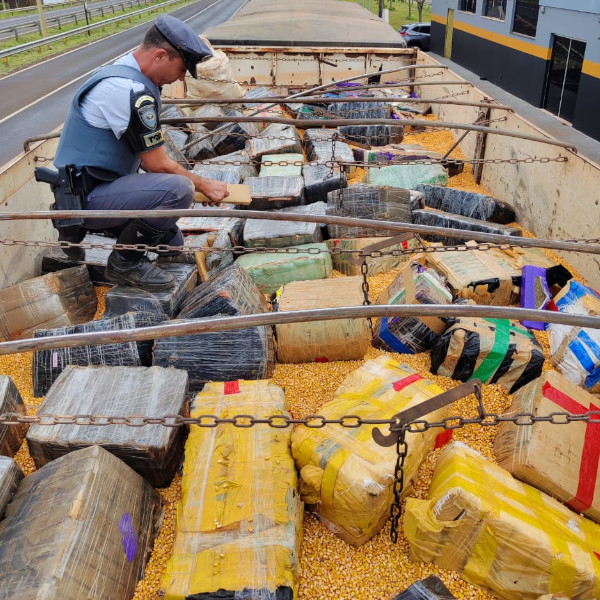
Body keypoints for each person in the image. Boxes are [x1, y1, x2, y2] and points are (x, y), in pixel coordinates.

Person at [54, 14, 229, 290]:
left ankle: (131, 253)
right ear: (160, 55)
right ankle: (124, 262)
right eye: (182, 69)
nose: (181, 78)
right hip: (88, 197)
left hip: (100, 185)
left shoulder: (124, 72)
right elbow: (157, 165)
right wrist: (204, 185)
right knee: (178, 190)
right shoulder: (129, 90)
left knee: (171, 244)